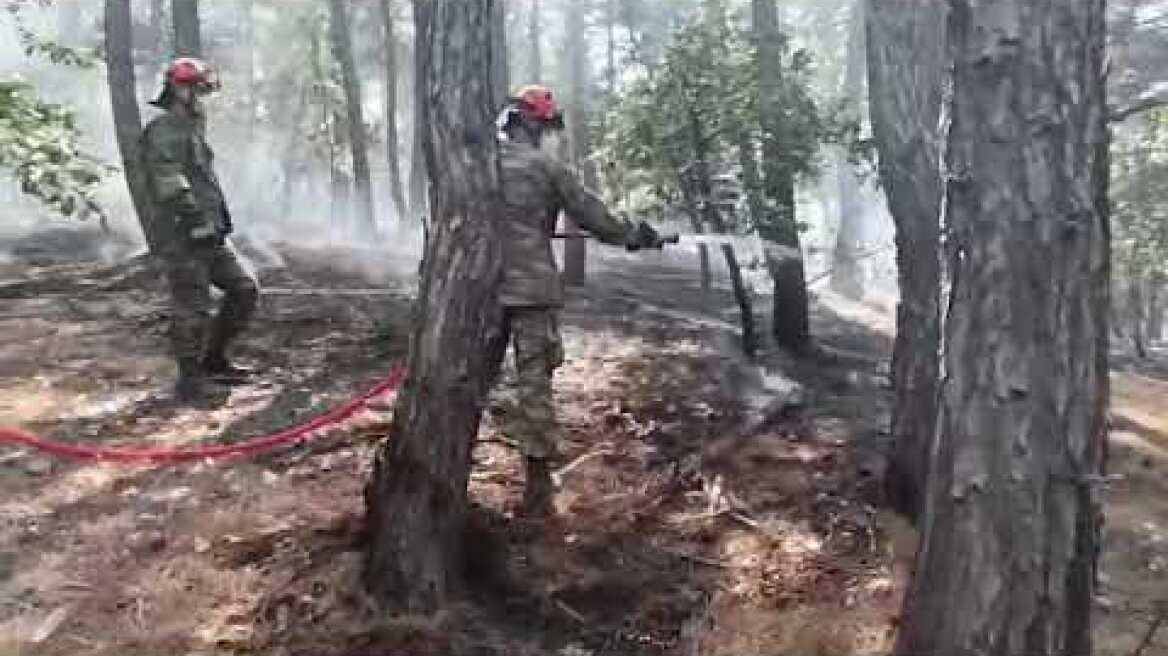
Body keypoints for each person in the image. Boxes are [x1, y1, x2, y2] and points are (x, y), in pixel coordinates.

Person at [492, 84, 669, 517]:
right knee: (533, 385)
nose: (547, 135)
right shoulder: (546, 168)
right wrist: (637, 236)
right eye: (545, 127)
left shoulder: (478, 161)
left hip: (478, 292)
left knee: (469, 379)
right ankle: (537, 489)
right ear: (529, 123)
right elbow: (595, 217)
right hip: (531, 290)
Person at [140, 58, 259, 403]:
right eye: (199, 91)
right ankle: (190, 381)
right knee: (192, 305)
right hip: (184, 234)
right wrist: (195, 220)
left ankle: (214, 361)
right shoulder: (164, 130)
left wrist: (215, 222)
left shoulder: (190, 128)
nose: (203, 99)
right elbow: (169, 182)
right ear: (180, 90)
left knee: (244, 289)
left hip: (210, 231)